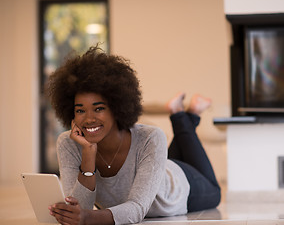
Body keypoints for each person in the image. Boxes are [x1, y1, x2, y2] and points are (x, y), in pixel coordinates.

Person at [46, 46, 221, 225]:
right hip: (153, 167)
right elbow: (78, 209)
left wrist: (85, 218)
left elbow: (136, 209)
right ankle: (187, 113)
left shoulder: (150, 137)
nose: (89, 118)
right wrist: (88, 154)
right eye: (80, 110)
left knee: (216, 193)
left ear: (116, 107)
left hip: (175, 186)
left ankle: (182, 115)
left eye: (99, 108)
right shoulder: (69, 143)